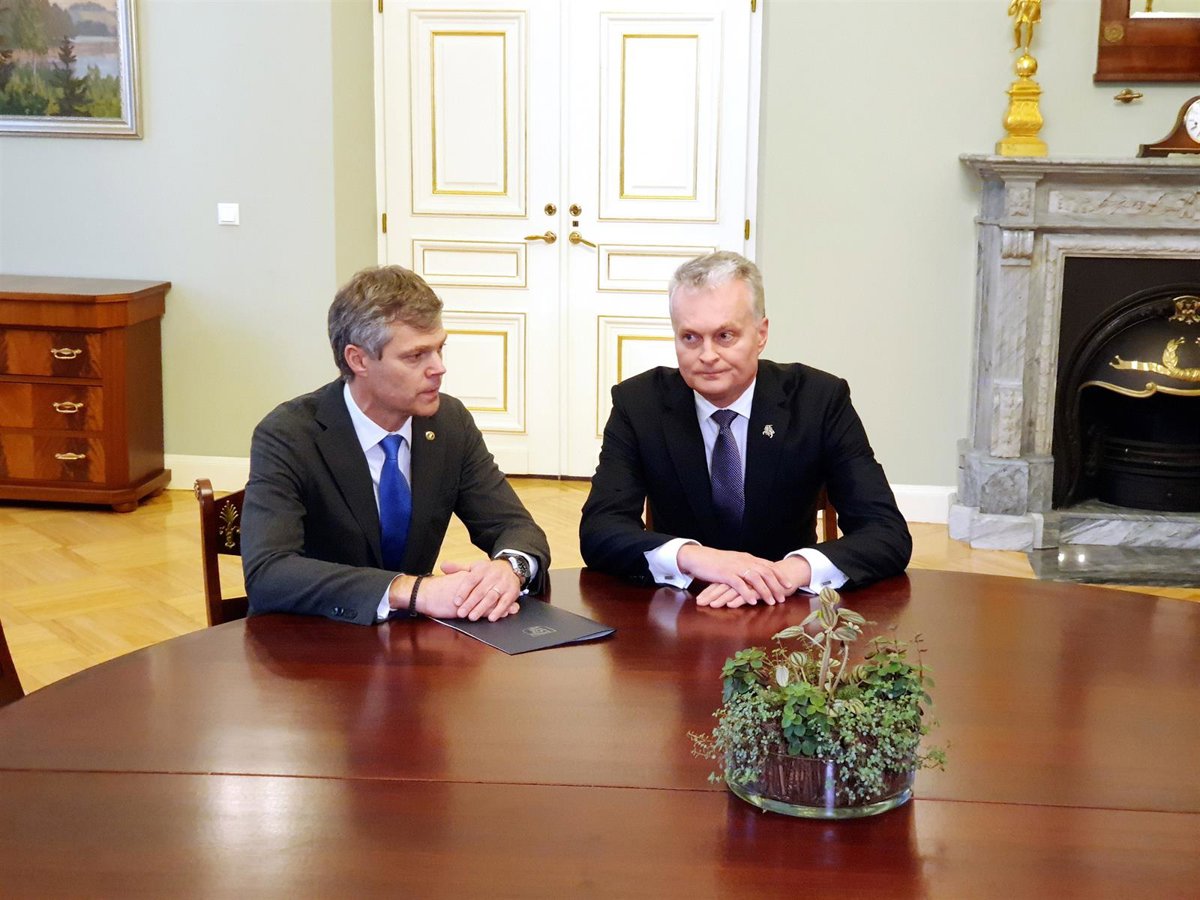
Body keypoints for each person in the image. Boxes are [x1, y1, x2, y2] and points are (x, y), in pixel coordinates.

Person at [579, 251, 910, 609]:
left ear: (761, 334)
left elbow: (886, 531)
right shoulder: (639, 404)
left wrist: (787, 572)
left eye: (725, 335)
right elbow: (600, 529)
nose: (707, 355)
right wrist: (696, 558)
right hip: (684, 603)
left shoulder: (818, 400)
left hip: (787, 606)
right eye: (690, 337)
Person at [242, 265, 550, 625]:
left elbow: (515, 527)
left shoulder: (449, 423)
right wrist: (413, 590)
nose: (438, 368)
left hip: (411, 643)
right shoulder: (289, 434)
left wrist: (510, 569)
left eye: (439, 349)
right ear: (358, 360)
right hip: (312, 639)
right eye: (415, 356)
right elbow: (269, 573)